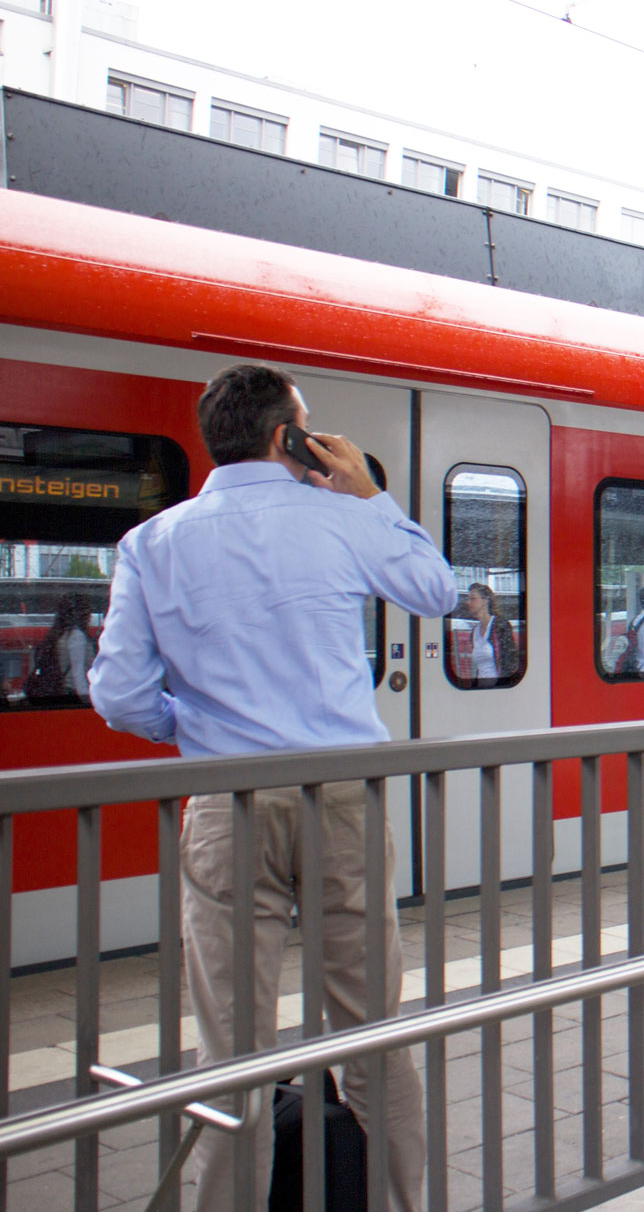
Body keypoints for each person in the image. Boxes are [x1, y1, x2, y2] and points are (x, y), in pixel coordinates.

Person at [88, 363, 458, 1211]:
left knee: (234, 1052)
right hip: (342, 801)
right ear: (288, 435)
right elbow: (436, 591)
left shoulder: (154, 542)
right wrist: (368, 493)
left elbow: (119, 694)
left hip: (228, 800)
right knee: (371, 1034)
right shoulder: (340, 516)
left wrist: (201, 727)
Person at [26, 591, 95, 705]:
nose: (90, 615)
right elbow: (77, 672)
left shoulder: (60, 634)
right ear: (80, 613)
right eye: (88, 610)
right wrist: (87, 701)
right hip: (74, 694)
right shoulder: (77, 635)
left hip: (64, 692)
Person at [457, 582, 518, 688]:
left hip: (499, 689)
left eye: (472, 598)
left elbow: (510, 662)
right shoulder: (474, 632)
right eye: (468, 599)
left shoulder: (501, 626)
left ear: (485, 600)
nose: (467, 602)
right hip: (482, 688)